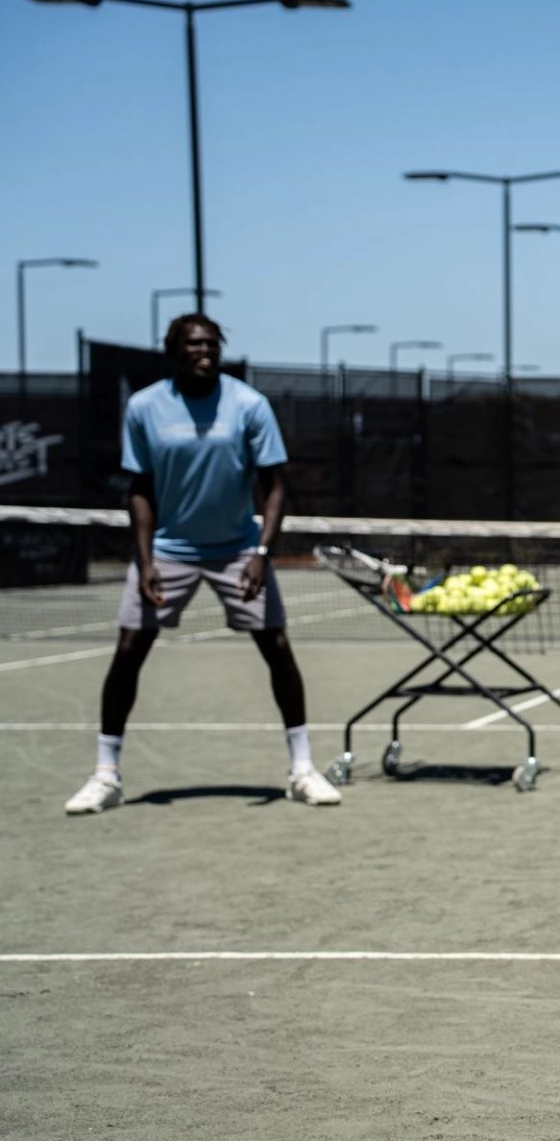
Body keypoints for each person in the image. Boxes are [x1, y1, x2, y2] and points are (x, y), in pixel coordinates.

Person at [63, 314, 342, 815]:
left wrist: (261, 552)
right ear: (175, 351)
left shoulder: (248, 405)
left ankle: (302, 769)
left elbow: (274, 485)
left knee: (277, 647)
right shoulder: (145, 407)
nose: (204, 352)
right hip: (168, 551)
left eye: (212, 344)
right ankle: (106, 775)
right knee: (129, 650)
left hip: (238, 549)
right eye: (194, 345)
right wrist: (145, 559)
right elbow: (141, 487)